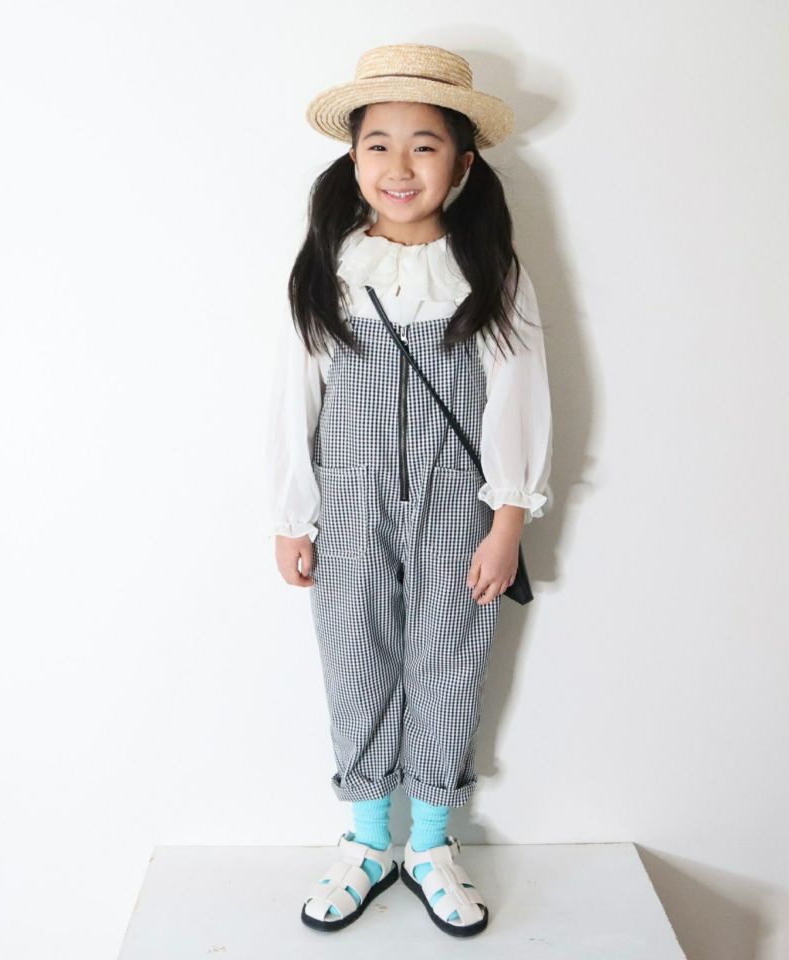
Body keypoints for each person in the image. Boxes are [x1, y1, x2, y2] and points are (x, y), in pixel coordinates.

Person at [265, 43, 554, 937]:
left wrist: (507, 520)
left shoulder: (490, 271)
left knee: (449, 660)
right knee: (354, 658)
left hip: (458, 503)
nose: (399, 165)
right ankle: (365, 841)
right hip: (347, 502)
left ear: (462, 164)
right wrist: (292, 515)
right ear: (353, 159)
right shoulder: (329, 268)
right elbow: (294, 395)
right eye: (378, 144)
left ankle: (430, 842)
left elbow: (520, 397)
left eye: (424, 145)